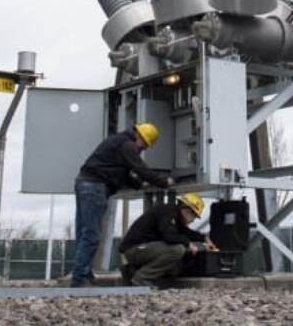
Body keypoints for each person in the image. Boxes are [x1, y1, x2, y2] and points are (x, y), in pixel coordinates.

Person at [71, 123, 173, 287]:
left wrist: (140, 185)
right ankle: (79, 279)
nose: (143, 150)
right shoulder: (128, 145)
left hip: (85, 183)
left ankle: (85, 275)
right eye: (145, 146)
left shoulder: (119, 142)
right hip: (95, 187)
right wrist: (163, 181)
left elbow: (123, 174)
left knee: (84, 233)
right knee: (91, 234)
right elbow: (140, 168)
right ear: (142, 138)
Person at [119, 193, 212, 289]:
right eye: (194, 217)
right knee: (177, 250)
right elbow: (169, 236)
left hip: (142, 249)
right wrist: (188, 244)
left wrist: (204, 238)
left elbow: (186, 232)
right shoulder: (168, 212)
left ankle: (130, 271)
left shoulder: (174, 216)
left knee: (175, 266)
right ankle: (141, 278)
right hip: (135, 249)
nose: (193, 221)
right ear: (188, 211)